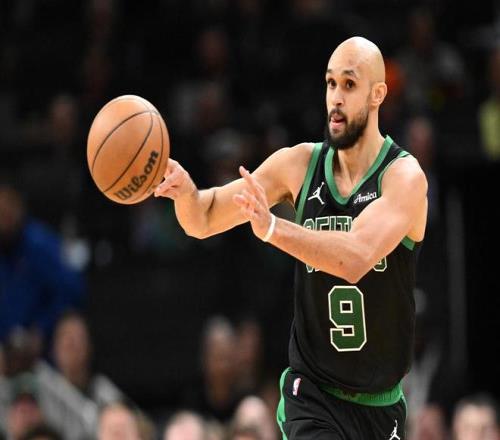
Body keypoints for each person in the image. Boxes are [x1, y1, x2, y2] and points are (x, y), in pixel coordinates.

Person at [155, 36, 428, 439]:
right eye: (330, 83)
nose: (336, 97)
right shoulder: (299, 164)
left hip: (381, 404)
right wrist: (185, 193)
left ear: (377, 95)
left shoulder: (403, 177)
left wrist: (272, 228)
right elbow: (205, 217)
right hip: (312, 394)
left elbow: (355, 257)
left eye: (349, 84)